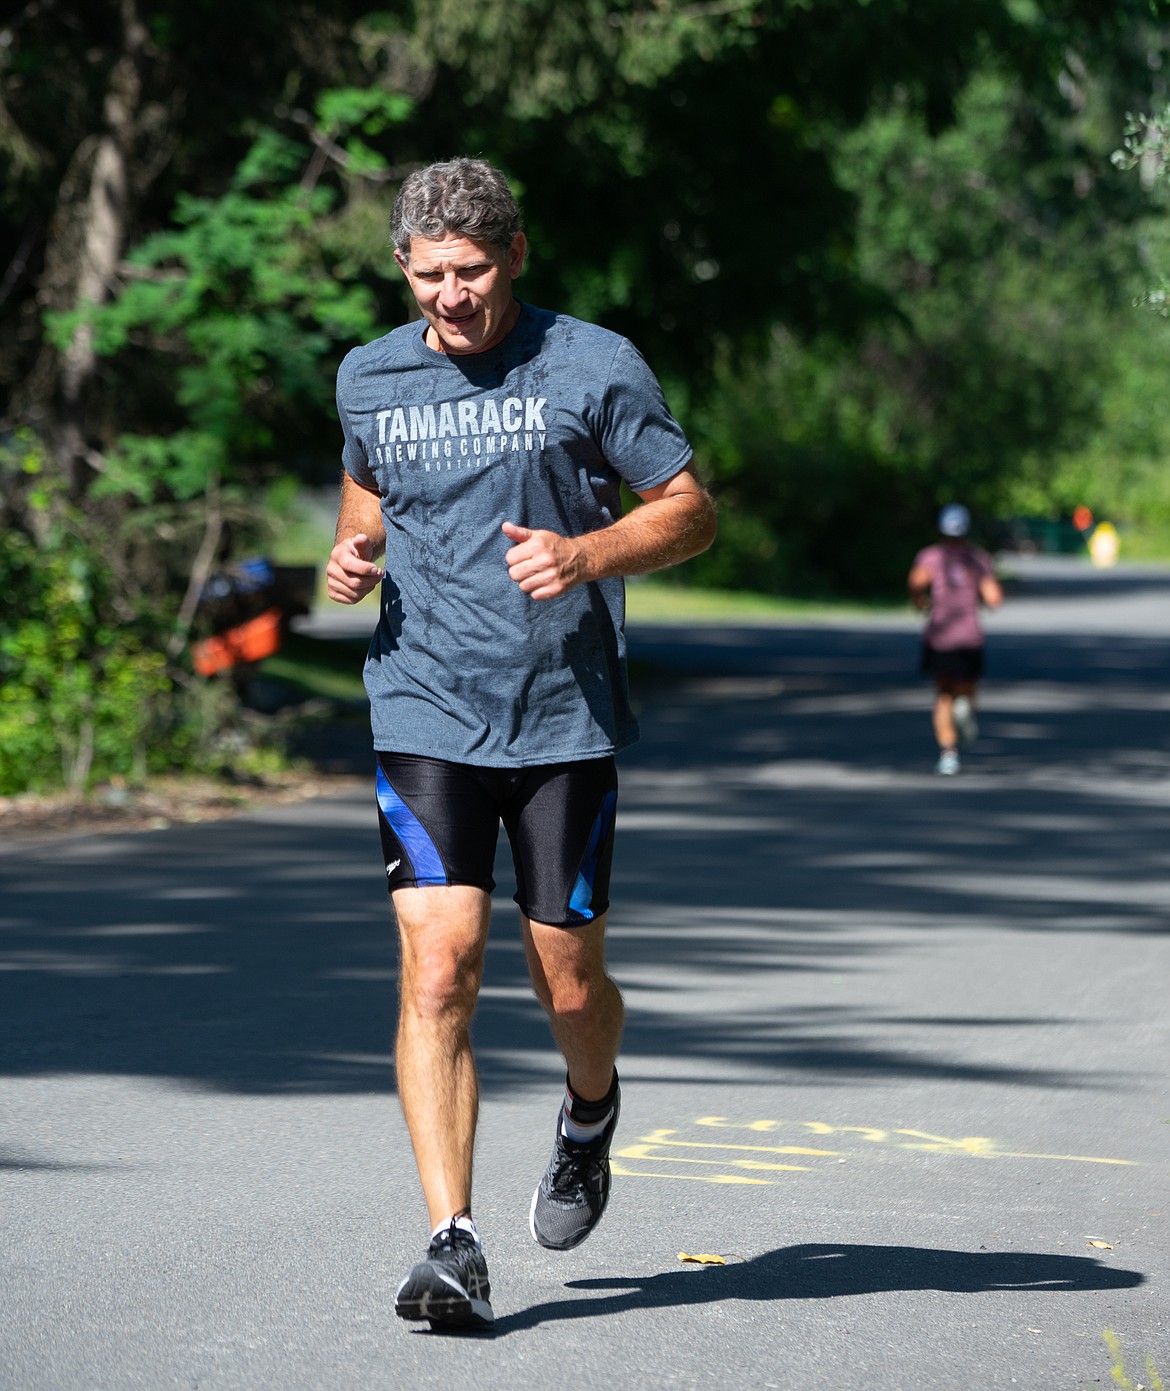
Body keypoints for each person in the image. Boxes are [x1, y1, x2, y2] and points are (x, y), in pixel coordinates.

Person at [326, 157, 717, 1331]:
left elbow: (690, 511)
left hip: (562, 714)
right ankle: (452, 1237)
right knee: (438, 966)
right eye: (431, 273)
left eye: (474, 270)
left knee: (569, 976)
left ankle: (589, 1109)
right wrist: (350, 560)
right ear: (403, 266)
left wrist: (586, 554)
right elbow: (365, 502)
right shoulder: (369, 374)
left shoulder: (591, 363)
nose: (452, 295)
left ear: (518, 254)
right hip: (423, 703)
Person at [908, 503, 1003, 776]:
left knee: (942, 695)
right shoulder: (978, 559)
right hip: (969, 637)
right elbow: (994, 599)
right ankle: (966, 704)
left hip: (939, 636)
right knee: (966, 688)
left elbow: (915, 583)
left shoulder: (930, 557)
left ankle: (948, 754)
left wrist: (921, 601)